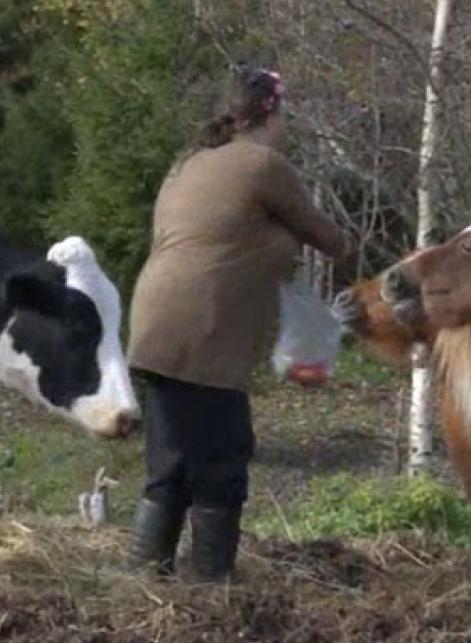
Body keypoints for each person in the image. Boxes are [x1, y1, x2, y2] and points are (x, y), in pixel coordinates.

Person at [126, 66, 352, 582]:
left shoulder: (191, 162)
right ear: (270, 113)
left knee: (171, 460)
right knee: (223, 460)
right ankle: (210, 589)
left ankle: (142, 582)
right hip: (203, 331)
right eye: (285, 114)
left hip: (156, 322)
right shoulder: (262, 165)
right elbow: (330, 239)